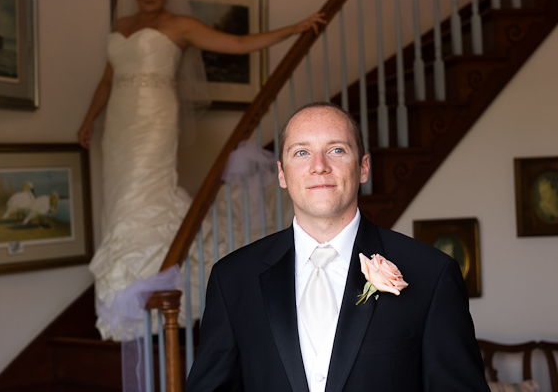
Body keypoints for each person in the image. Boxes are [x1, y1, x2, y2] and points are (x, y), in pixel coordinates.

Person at [77, 0, 324, 341]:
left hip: (155, 120)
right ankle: (125, 289)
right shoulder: (122, 25)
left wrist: (295, 28)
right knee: (121, 199)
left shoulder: (180, 25)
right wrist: (90, 118)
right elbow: (108, 80)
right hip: (119, 126)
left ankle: (155, 285)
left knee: (146, 192)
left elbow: (239, 44)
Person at [186, 102, 490, 392]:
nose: (319, 166)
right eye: (302, 152)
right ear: (282, 173)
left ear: (363, 168)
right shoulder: (233, 280)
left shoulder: (432, 274)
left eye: (336, 150)